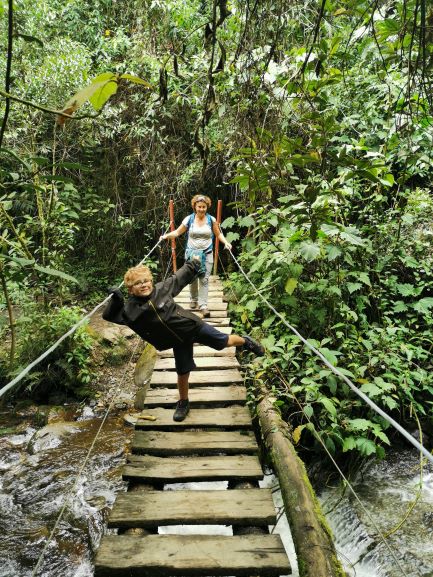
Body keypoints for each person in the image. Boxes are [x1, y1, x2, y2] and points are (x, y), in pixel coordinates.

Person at [102, 259, 264, 422]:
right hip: (177, 341)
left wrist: (193, 263)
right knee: (183, 371)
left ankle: (245, 341)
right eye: (138, 283)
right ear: (130, 289)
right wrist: (116, 301)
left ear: (151, 281)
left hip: (192, 326)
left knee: (224, 342)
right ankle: (183, 402)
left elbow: (178, 278)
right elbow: (110, 315)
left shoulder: (161, 290)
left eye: (146, 281)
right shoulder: (130, 310)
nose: (144, 285)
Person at [160, 194, 232, 318]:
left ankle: (203, 305)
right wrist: (165, 236)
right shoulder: (189, 219)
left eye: (204, 207)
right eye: (199, 206)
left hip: (207, 253)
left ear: (207, 207)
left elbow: (218, 234)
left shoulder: (211, 220)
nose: (201, 209)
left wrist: (226, 242)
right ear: (195, 206)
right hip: (192, 255)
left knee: (204, 280)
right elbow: (177, 232)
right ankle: (193, 299)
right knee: (192, 279)